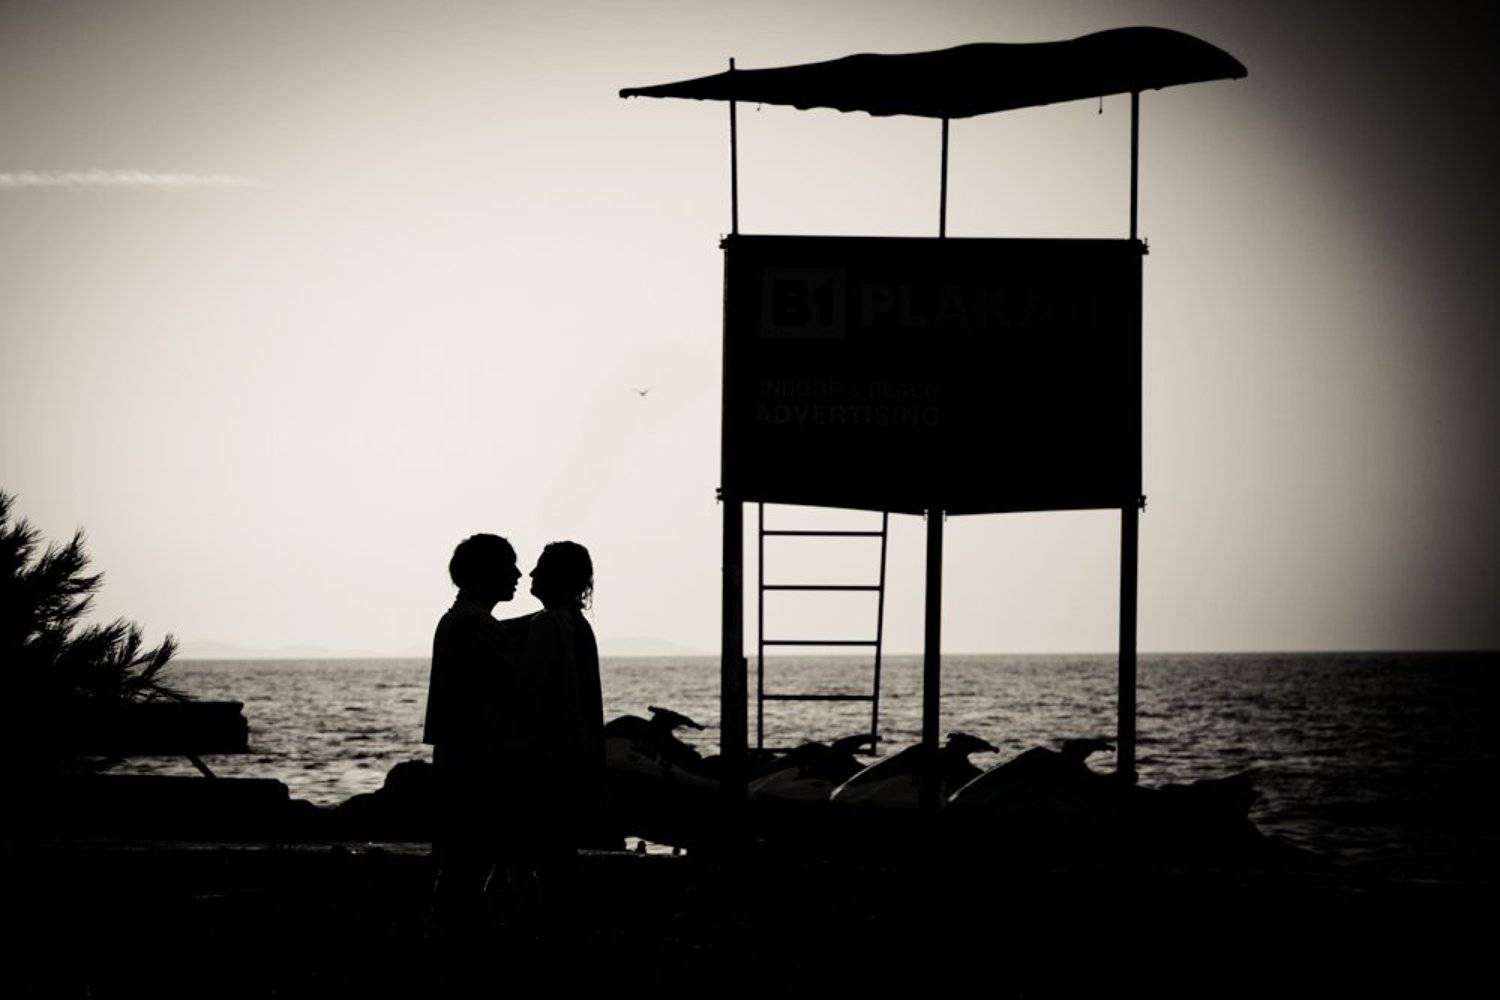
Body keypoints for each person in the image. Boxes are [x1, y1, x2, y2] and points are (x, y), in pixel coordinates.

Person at [422, 532, 526, 927]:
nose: (517, 574)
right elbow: (518, 681)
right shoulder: (475, 626)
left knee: (461, 864)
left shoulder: (463, 621)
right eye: (508, 565)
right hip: (477, 764)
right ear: (486, 573)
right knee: (469, 864)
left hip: (460, 758)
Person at [510, 540, 603, 916]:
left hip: (544, 762)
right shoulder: (576, 625)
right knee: (558, 859)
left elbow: (529, 693)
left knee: (540, 860)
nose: (531, 574)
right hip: (571, 761)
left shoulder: (549, 625)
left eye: (540, 567)